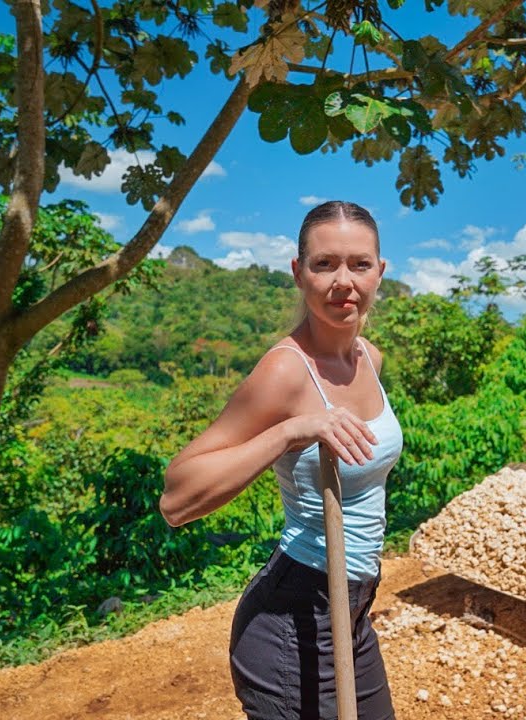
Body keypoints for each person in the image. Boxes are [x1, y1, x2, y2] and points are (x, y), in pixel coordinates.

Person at [160, 201, 400, 720]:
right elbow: (176, 497)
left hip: (353, 611)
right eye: (324, 264)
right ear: (298, 273)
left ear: (380, 271)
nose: (344, 281)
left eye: (359, 264)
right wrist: (292, 431)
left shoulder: (369, 358)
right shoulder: (285, 372)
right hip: (294, 621)